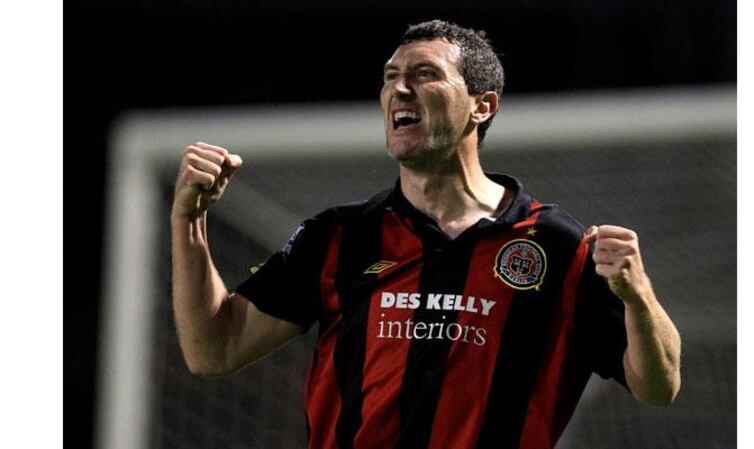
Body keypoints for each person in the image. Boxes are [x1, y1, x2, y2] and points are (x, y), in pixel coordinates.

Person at [171, 20, 681, 449]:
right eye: (390, 77)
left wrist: (638, 297)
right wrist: (188, 219)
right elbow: (214, 349)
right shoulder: (339, 236)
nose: (399, 89)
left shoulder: (557, 244)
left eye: (425, 74)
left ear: (482, 106)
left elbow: (659, 386)